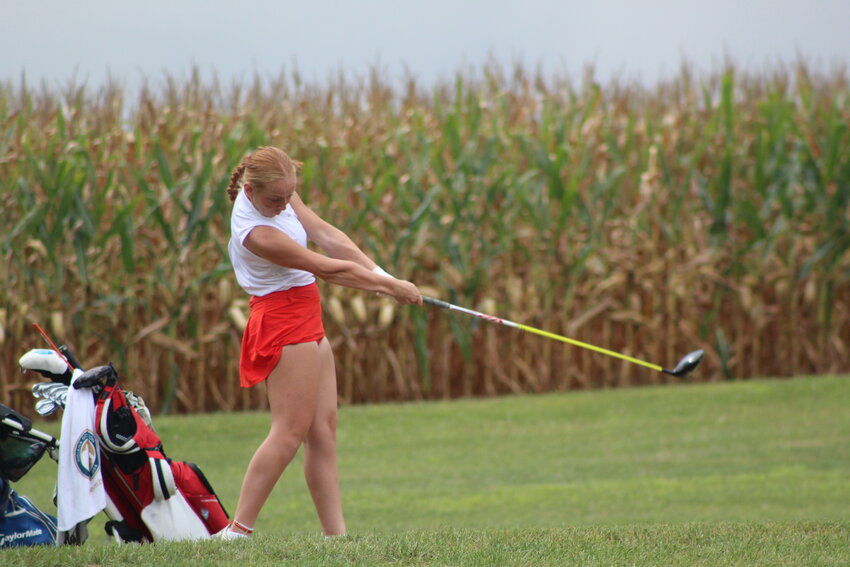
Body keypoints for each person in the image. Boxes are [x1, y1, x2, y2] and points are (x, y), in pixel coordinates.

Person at [218, 146, 422, 539]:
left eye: (288, 195)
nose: (283, 205)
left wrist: (383, 276)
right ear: (249, 191)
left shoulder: (282, 194)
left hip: (306, 315)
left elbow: (328, 237)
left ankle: (336, 540)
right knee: (289, 431)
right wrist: (390, 287)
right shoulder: (257, 233)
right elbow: (326, 268)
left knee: (324, 430)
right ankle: (237, 533)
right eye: (275, 199)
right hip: (281, 322)